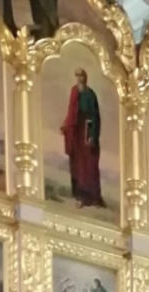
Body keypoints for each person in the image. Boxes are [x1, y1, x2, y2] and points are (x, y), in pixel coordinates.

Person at [60, 68, 103, 207]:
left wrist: (92, 136)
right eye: (77, 76)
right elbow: (71, 111)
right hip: (76, 131)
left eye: (82, 76)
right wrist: (66, 125)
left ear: (85, 77)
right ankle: (77, 194)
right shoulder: (74, 91)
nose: (79, 78)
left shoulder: (90, 94)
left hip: (86, 129)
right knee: (75, 162)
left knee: (87, 164)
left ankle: (89, 197)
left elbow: (94, 117)